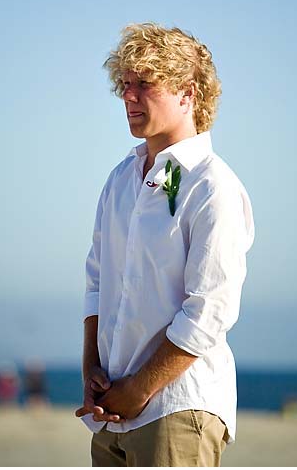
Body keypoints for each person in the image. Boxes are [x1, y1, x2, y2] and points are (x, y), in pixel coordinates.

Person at [74, 23, 255, 467]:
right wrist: (91, 372)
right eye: (125, 84)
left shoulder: (213, 185)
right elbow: (97, 283)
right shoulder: (121, 180)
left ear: (187, 93)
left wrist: (137, 390)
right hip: (112, 413)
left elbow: (210, 309)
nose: (129, 97)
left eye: (145, 84)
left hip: (179, 408)